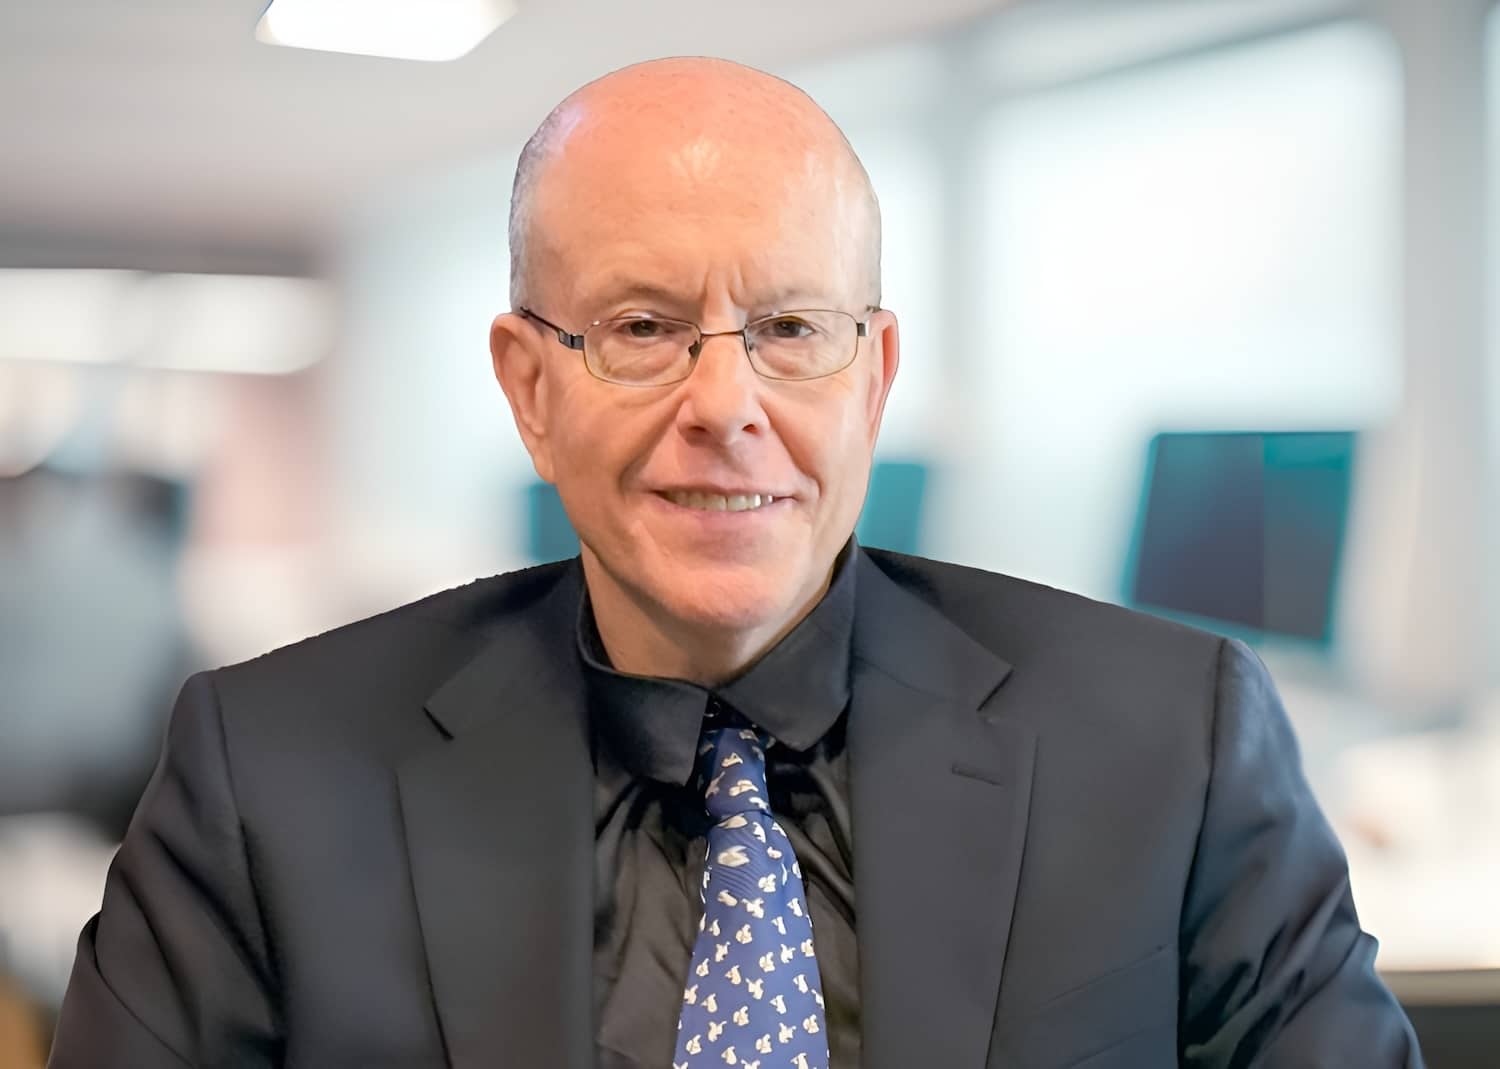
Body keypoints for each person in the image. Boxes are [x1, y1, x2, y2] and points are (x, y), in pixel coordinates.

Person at [49, 58, 1421, 1068]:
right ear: (531, 386)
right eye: (644, 326)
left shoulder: (1172, 746)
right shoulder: (267, 777)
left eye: (791, 326)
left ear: (874, 378)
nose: (725, 402)